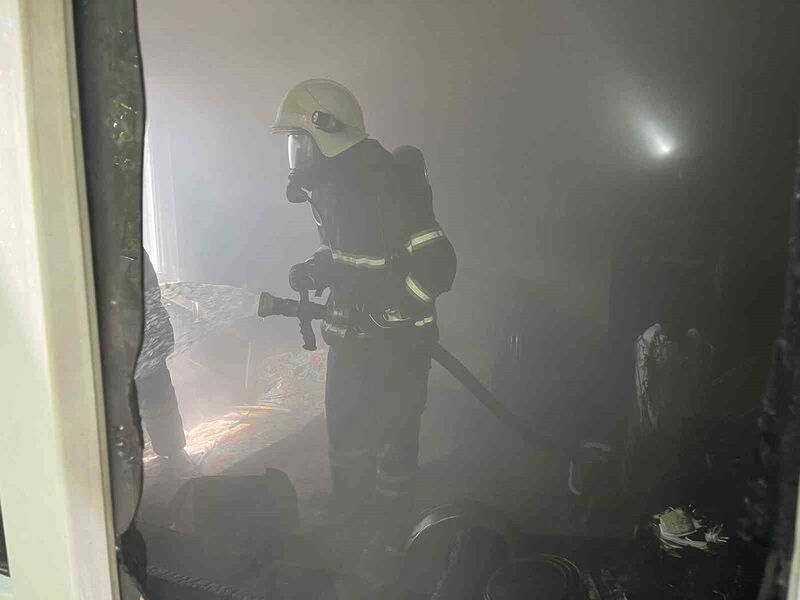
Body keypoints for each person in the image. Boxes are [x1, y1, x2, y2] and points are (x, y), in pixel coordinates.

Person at [272, 79, 457, 576]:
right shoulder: (331, 188)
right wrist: (318, 268)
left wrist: (389, 314)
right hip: (352, 342)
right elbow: (349, 255)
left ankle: (391, 535)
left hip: (398, 347)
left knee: (393, 445)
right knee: (347, 434)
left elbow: (438, 266)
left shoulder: (384, 182)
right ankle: (349, 515)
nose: (295, 155)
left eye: (299, 141)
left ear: (326, 133)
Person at [135, 249, 193, 472]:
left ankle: (173, 450)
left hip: (145, 334)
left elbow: (149, 293)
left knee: (157, 392)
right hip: (119, 334)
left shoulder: (130, 249)